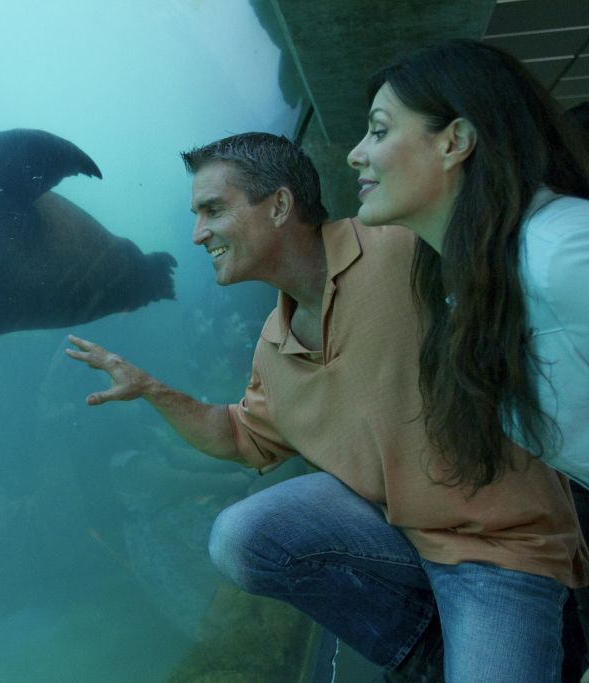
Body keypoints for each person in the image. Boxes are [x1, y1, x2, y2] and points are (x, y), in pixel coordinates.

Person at [65, 132, 587, 682]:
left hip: (501, 547)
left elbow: (515, 252)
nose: (197, 234)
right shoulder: (273, 341)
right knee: (241, 537)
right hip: (405, 536)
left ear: (280, 206)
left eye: (212, 210)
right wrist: (151, 389)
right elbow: (240, 435)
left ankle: (543, 634)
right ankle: (424, 652)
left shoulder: (403, 248)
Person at [347, 39, 589, 494]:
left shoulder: (562, 251)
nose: (355, 154)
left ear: (455, 142)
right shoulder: (474, 273)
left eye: (378, 132)